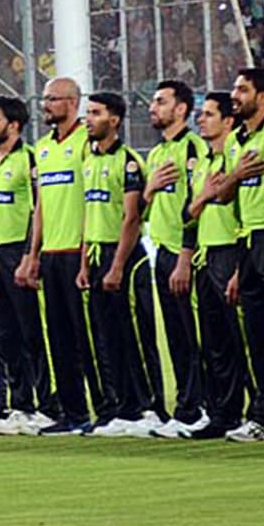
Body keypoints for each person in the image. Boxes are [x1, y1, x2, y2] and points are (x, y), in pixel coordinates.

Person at [79, 93, 158, 438]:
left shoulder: (127, 162)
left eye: (95, 113)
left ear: (114, 120)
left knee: (136, 335)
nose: (88, 119)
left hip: (122, 257)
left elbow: (131, 218)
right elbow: (88, 215)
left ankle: (150, 407)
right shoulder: (88, 160)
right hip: (96, 256)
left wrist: (117, 266)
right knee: (106, 336)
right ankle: (121, 407)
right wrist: (84, 263)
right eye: (88, 113)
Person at [0, 97, 50, 434]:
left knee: (31, 331)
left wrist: (29, 256)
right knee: (5, 334)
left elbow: (39, 209)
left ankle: (47, 404)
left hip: (20, 253)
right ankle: (21, 404)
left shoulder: (29, 159)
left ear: (14, 125)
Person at [224, 68, 264, 443]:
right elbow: (225, 196)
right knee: (258, 333)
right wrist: (235, 176)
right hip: (247, 238)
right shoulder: (236, 139)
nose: (236, 95)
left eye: (243, 89)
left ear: (263, 97)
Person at [142, 81, 209, 438]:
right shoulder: (156, 155)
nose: (153, 107)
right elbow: (145, 207)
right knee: (175, 337)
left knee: (194, 333)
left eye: (160, 102)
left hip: (188, 255)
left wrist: (185, 255)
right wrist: (150, 189)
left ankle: (201, 406)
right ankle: (185, 407)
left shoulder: (193, 148)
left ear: (181, 109)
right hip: (163, 252)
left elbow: (195, 208)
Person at [30, 77, 95, 433]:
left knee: (87, 336)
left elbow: (91, 201)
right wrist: (33, 253)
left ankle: (104, 408)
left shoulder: (87, 143)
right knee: (58, 338)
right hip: (52, 253)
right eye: (44, 99)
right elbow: (40, 205)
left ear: (72, 102)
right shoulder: (41, 148)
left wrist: (86, 253)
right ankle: (72, 412)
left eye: (52, 99)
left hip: (76, 251)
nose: (46, 105)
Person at [188, 91, 247, 440]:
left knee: (240, 340)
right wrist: (203, 198)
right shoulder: (205, 164)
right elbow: (188, 215)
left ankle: (255, 413)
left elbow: (240, 211)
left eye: (209, 114)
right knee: (213, 342)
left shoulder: (237, 160)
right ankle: (220, 414)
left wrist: (242, 266)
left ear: (228, 121)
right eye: (201, 113)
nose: (202, 119)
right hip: (206, 254)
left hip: (230, 252)